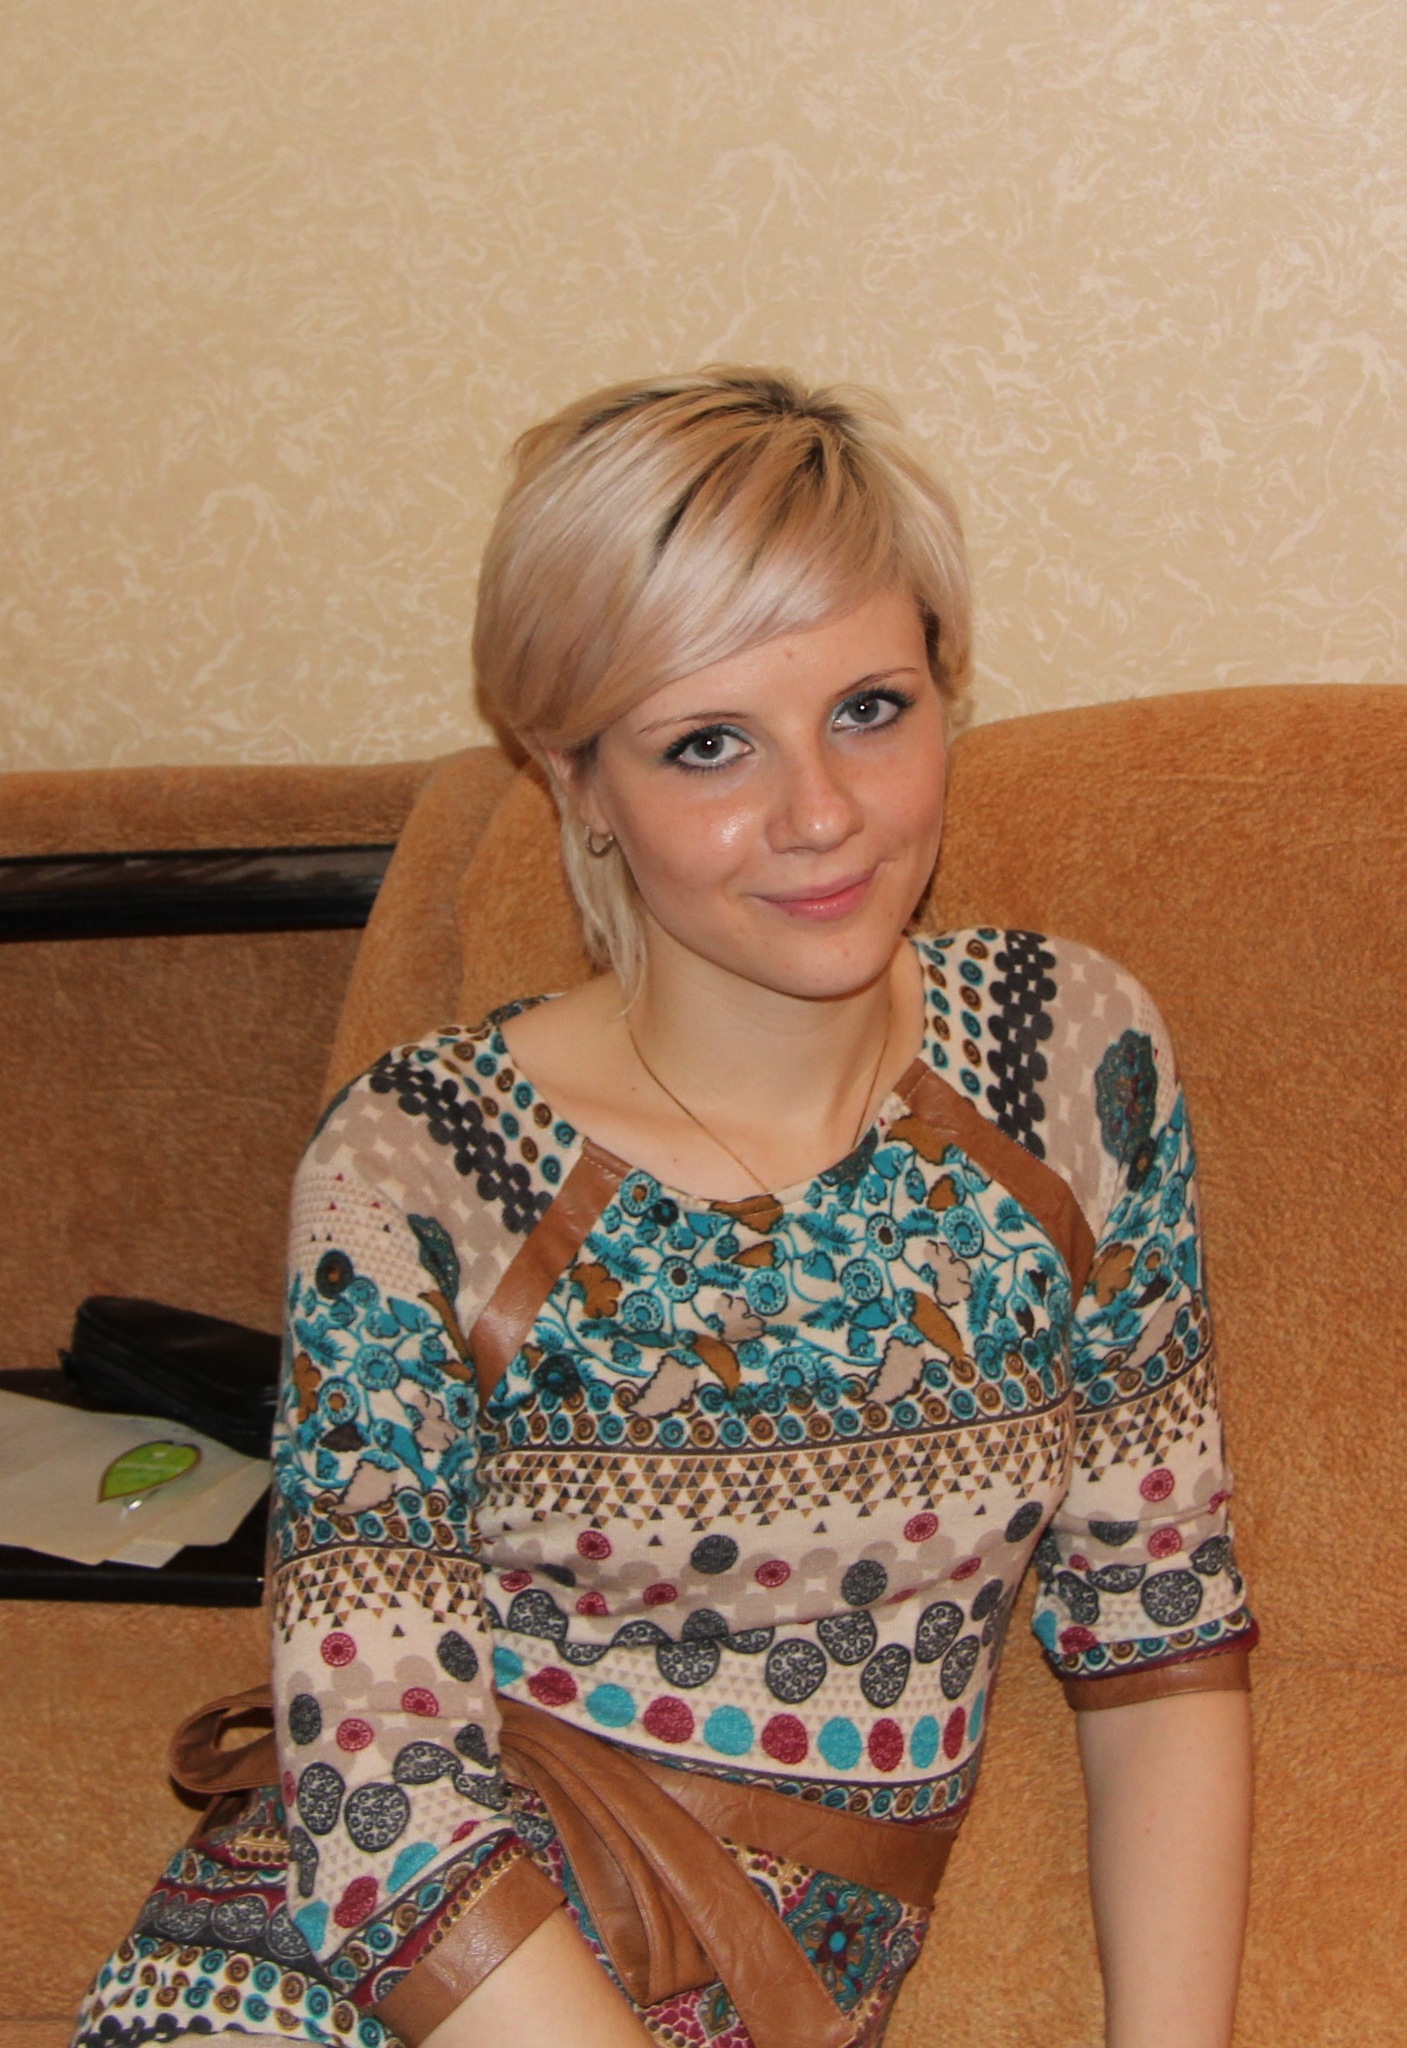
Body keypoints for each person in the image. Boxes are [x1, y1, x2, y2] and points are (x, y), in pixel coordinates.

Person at [74, 368, 1256, 2048]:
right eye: (709, 743)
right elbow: (380, 1803)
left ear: (947, 693)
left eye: (871, 708)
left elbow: (1160, 1634)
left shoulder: (1062, 1055)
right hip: (382, 1990)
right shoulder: (421, 1160)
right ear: (572, 780)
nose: (819, 812)